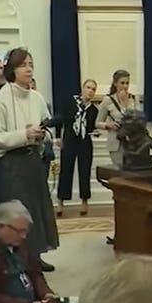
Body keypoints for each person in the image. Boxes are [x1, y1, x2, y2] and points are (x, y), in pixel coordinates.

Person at [0, 48, 58, 271]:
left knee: (36, 210)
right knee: (16, 212)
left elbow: (48, 128)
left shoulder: (37, 97)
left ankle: (34, 256)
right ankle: (17, 261)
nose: (28, 69)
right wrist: (25, 134)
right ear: (11, 69)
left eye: (31, 64)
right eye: (23, 65)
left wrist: (42, 135)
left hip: (33, 160)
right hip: (11, 164)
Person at [57, 79, 98, 217]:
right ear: (82, 88)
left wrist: (95, 131)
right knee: (65, 170)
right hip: (69, 140)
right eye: (88, 87)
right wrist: (58, 137)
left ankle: (84, 202)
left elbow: (91, 127)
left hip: (84, 142)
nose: (90, 91)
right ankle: (60, 202)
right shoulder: (70, 102)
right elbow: (61, 119)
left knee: (84, 171)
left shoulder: (93, 110)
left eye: (93, 89)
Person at [96, 69, 140, 166]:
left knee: (133, 170)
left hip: (132, 141)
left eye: (127, 83)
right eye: (122, 83)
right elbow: (97, 122)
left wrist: (124, 103)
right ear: (115, 83)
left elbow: (139, 119)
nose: (125, 86)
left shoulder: (133, 98)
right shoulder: (108, 100)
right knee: (120, 170)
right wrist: (108, 125)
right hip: (116, 142)